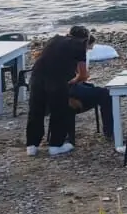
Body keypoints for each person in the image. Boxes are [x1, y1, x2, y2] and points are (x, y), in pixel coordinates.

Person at [27, 26, 94, 156]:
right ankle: (56, 145)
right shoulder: (80, 46)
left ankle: (32, 146)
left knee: (36, 110)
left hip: (37, 77)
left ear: (68, 34)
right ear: (85, 39)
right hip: (58, 80)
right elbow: (83, 75)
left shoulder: (55, 39)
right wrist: (73, 81)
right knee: (59, 110)